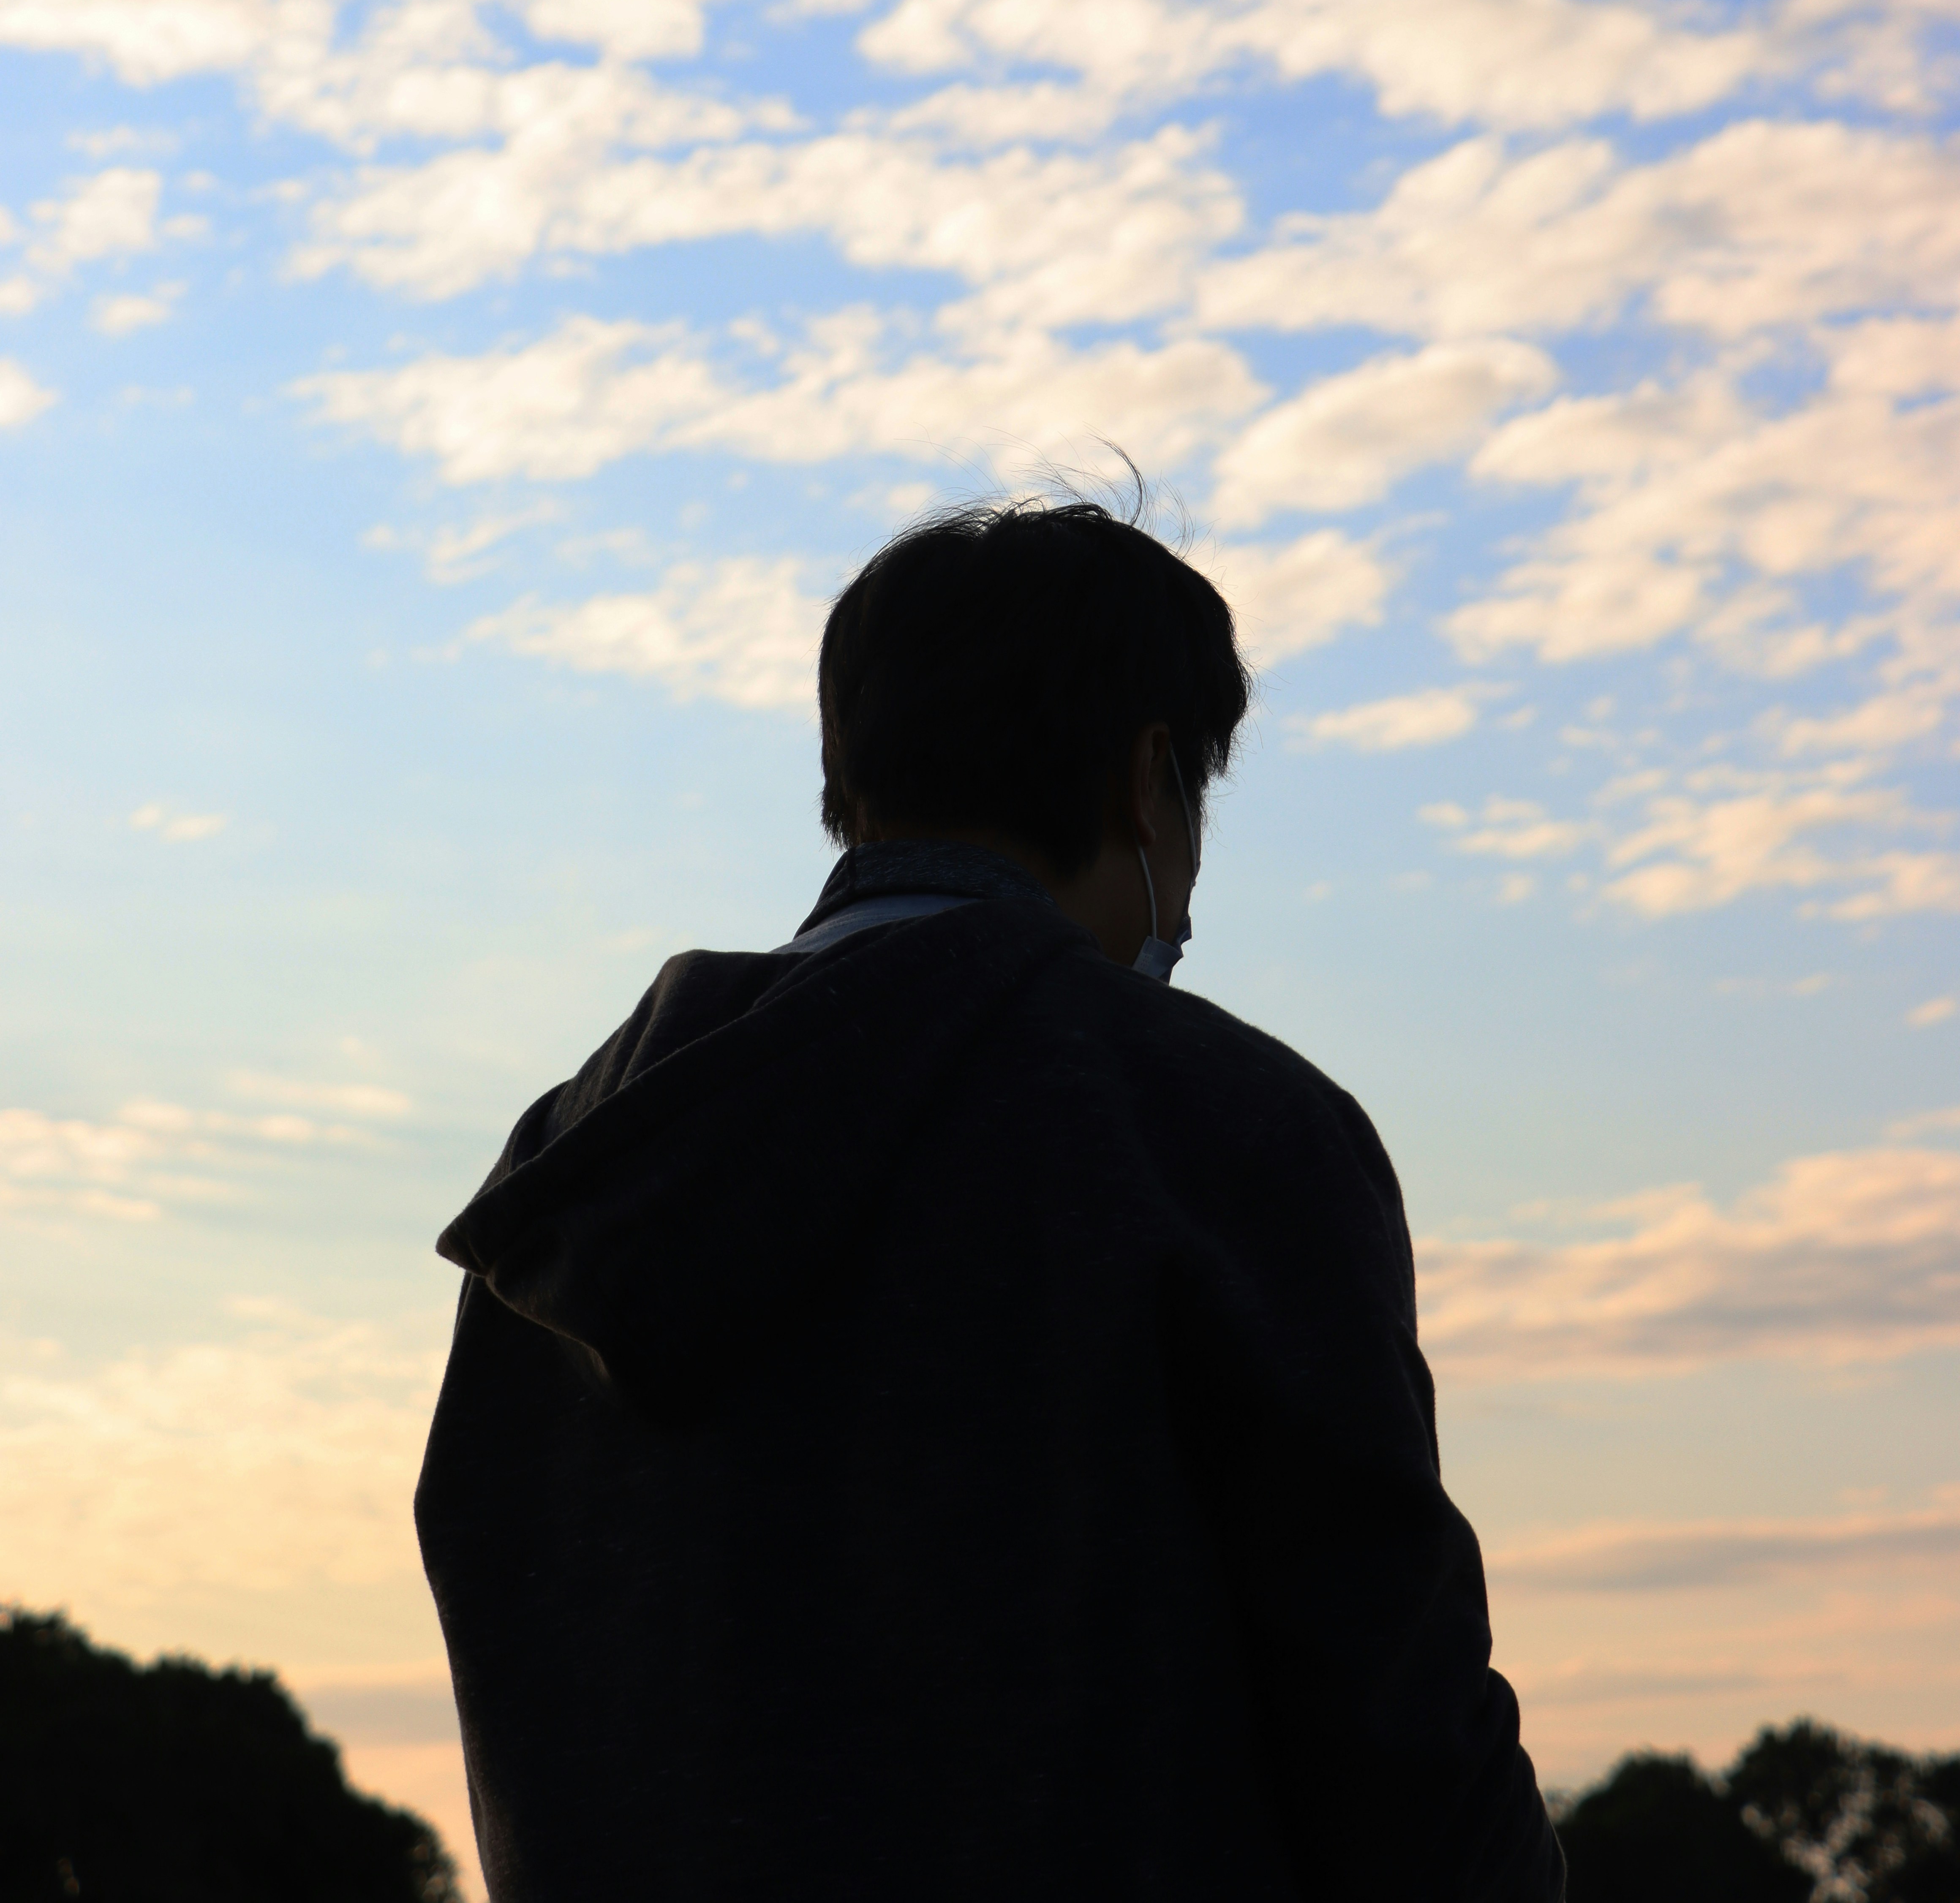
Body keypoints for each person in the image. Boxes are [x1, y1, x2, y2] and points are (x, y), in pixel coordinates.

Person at [416, 496, 1565, 1900]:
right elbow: (1398, 1721)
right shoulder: (1219, 1129)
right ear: (1146, 781)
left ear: (850, 768)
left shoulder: (573, 1169)